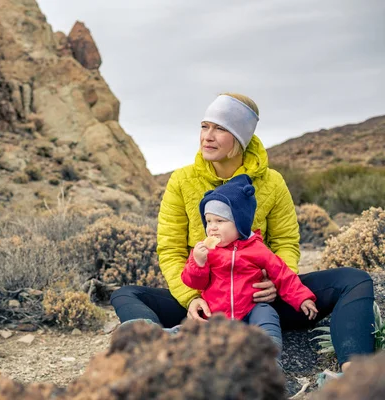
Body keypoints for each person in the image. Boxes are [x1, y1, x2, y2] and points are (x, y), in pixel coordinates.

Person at [110, 93, 374, 374]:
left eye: (220, 128)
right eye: (204, 126)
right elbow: (171, 249)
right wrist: (191, 298)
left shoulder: (272, 182)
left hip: (260, 302)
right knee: (126, 294)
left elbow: (286, 242)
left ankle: (355, 374)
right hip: (208, 305)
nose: (207, 137)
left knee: (354, 280)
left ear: (241, 138)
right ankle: (151, 351)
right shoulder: (182, 180)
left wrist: (275, 283)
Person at [181, 173, 318, 366]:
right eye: (209, 221)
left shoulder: (257, 249)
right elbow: (193, 282)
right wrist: (198, 263)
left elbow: (282, 274)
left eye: (220, 221)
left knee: (266, 314)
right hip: (217, 313)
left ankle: (269, 358)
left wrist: (302, 297)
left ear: (240, 222)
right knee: (198, 328)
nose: (212, 228)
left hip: (250, 309)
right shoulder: (205, 252)